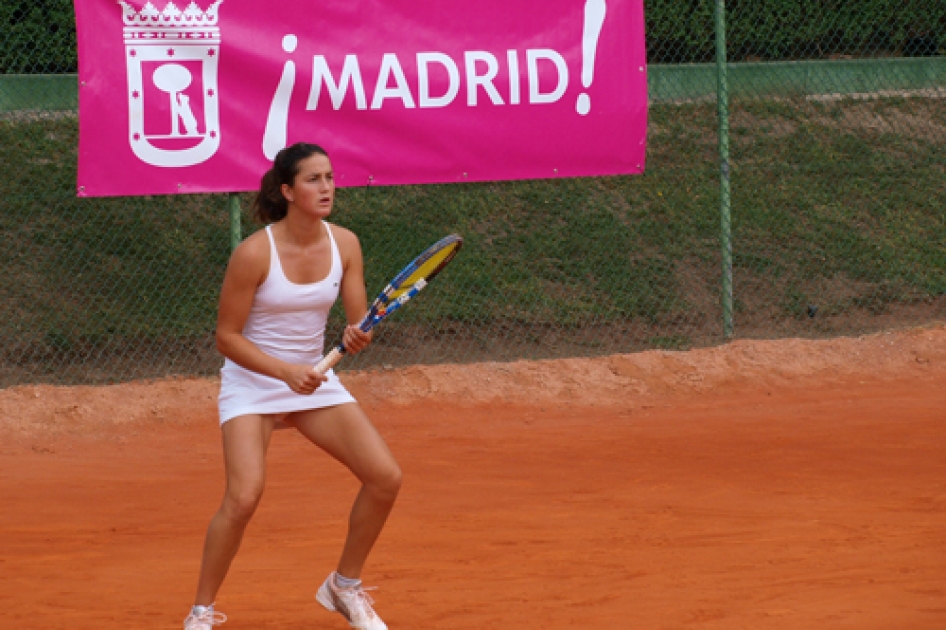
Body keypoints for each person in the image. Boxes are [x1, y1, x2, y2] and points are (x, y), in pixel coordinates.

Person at [183, 142, 401, 630]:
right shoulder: (254, 253)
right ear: (287, 190)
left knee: (385, 477)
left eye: (329, 177)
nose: (326, 187)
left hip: (314, 380)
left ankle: (343, 586)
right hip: (254, 383)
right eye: (313, 179)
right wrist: (284, 372)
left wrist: (358, 334)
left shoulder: (345, 244)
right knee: (243, 498)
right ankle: (200, 614)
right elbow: (226, 338)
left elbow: (358, 321)